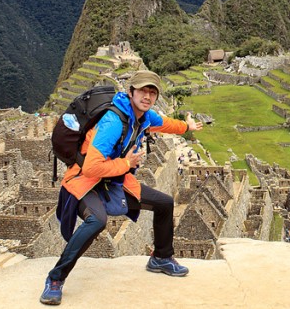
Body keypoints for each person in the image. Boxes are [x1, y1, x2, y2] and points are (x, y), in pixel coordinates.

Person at [40, 70, 204, 305]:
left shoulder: (145, 117)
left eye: (152, 92)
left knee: (165, 203)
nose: (147, 96)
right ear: (131, 92)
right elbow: (91, 168)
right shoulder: (113, 123)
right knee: (96, 220)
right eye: (143, 91)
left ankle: (161, 257)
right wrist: (127, 163)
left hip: (114, 181)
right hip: (85, 182)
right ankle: (55, 278)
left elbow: (165, 124)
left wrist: (186, 127)